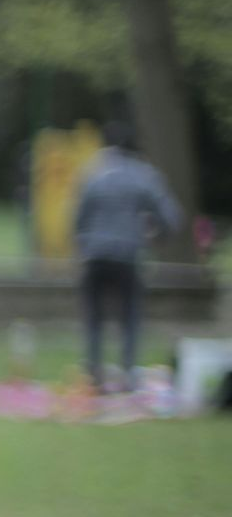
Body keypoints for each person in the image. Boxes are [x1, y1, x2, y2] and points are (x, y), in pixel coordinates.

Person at [74, 120, 185, 390]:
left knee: (94, 318)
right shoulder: (143, 175)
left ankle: (94, 373)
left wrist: (84, 243)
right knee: (130, 318)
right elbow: (172, 217)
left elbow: (78, 219)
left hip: (95, 255)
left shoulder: (92, 172)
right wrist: (158, 237)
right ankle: (127, 375)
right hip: (127, 255)